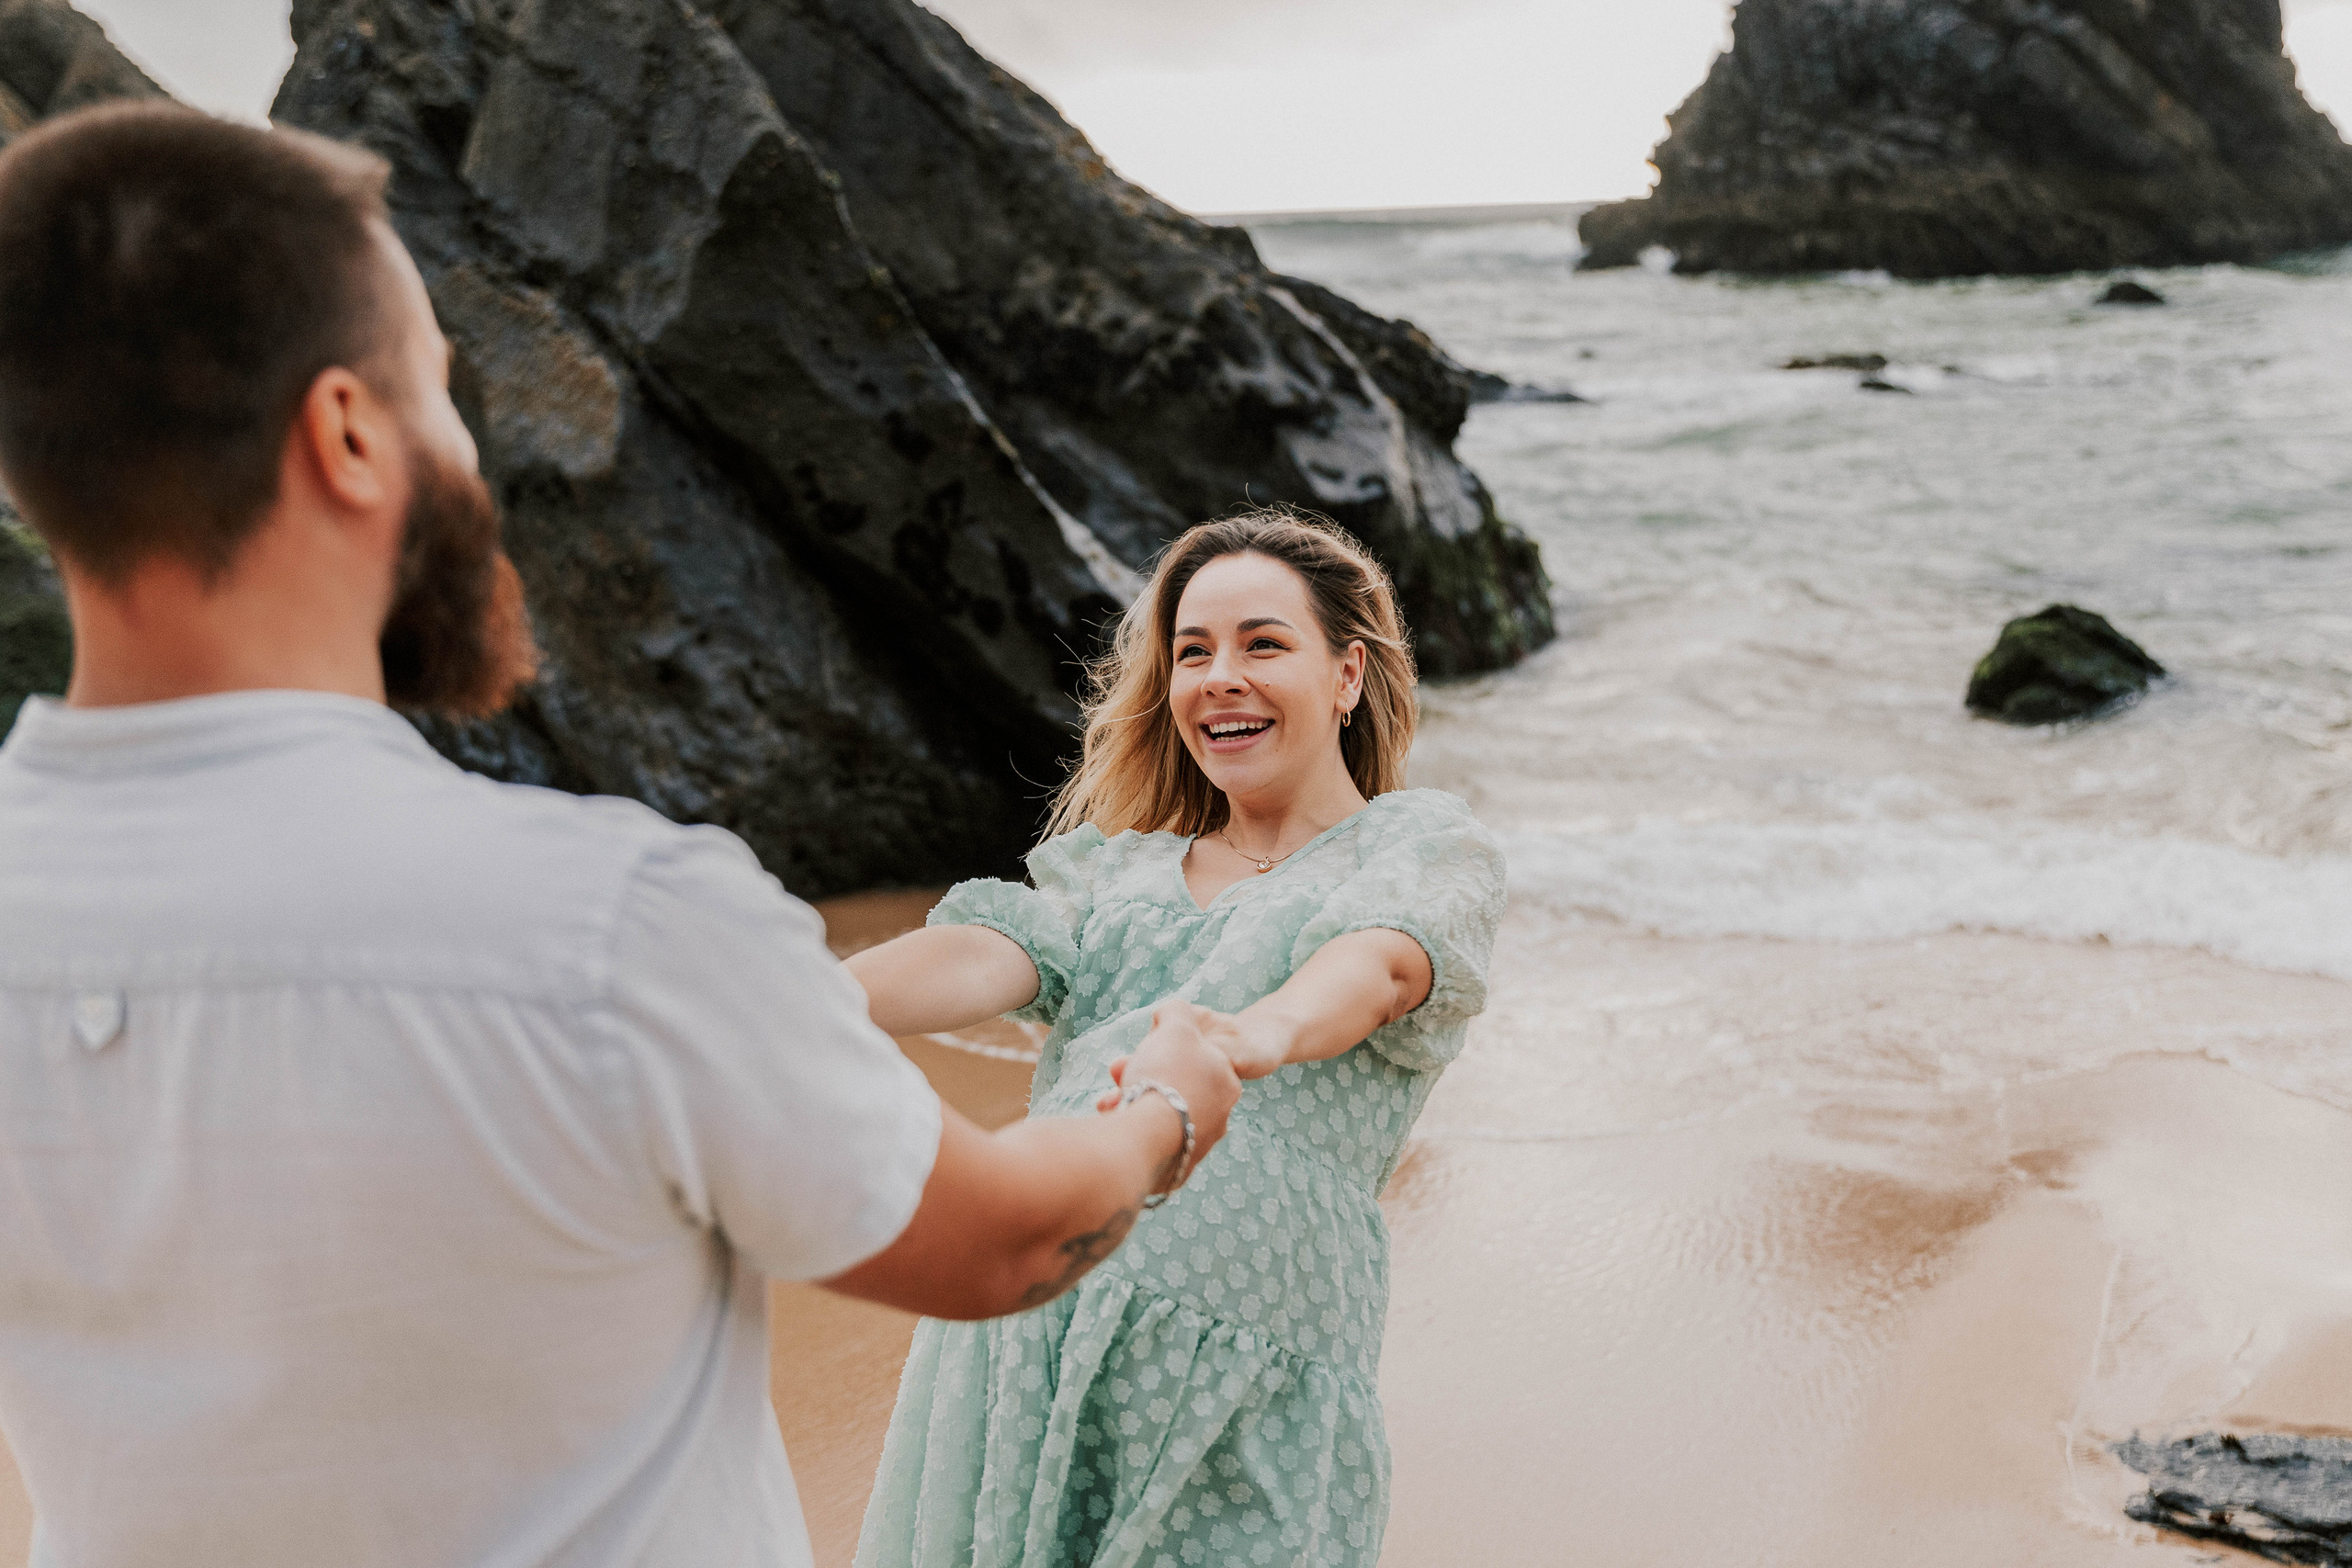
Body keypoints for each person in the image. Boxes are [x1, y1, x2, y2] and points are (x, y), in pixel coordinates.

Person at [0, 103, 1238, 1568]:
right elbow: (1005, 1239)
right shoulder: (609, 921)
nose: (465, 443)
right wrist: (1163, 1103)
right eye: (440, 390)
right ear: (345, 431)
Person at [848, 510, 1508, 1568]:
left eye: (1262, 644)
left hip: (1244, 1379)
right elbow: (983, 953)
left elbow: (1380, 965)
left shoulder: (1418, 850)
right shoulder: (1118, 871)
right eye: (1191, 652)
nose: (1218, 677)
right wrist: (807, 1000)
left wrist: (1243, 1041)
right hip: (1029, 1341)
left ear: (1345, 676)